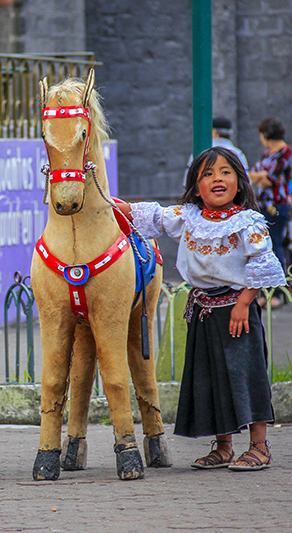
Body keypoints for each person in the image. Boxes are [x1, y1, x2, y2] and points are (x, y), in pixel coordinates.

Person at [117, 147, 286, 471]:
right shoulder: (188, 217)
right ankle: (223, 447)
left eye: (225, 172)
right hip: (202, 309)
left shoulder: (248, 221)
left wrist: (244, 304)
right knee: (211, 379)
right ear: (196, 187)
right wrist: (111, 203)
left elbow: (262, 263)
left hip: (237, 312)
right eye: (207, 174)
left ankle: (260, 447)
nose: (217, 179)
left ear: (239, 182)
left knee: (244, 376)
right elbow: (151, 216)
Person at [248, 117, 291, 308]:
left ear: (266, 134)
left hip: (277, 205)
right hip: (263, 205)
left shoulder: (285, 153)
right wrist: (260, 177)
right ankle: (267, 291)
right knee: (265, 247)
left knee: (276, 246)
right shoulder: (268, 154)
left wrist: (260, 177)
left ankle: (279, 293)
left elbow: (268, 180)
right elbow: (253, 174)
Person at [185, 116, 249, 183]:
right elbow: (247, 181)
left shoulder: (200, 152)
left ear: (214, 132)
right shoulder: (238, 154)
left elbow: (187, 182)